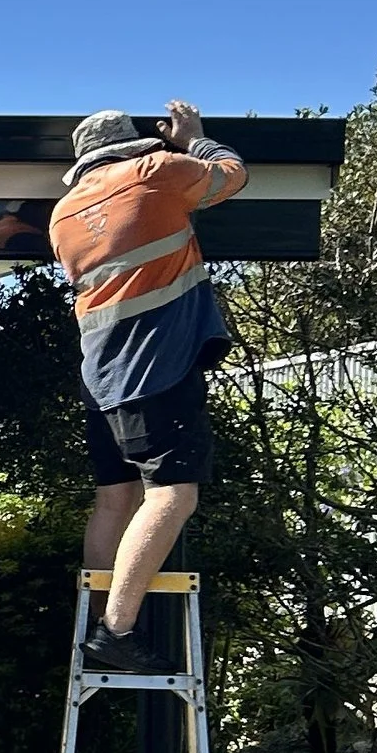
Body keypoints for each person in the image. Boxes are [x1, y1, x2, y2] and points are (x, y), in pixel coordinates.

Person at [49, 99, 246, 672]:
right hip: (156, 366)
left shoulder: (63, 216)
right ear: (135, 147)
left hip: (100, 375)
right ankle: (116, 630)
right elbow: (231, 176)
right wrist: (195, 139)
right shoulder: (155, 172)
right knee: (173, 494)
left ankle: (94, 623)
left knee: (116, 498)